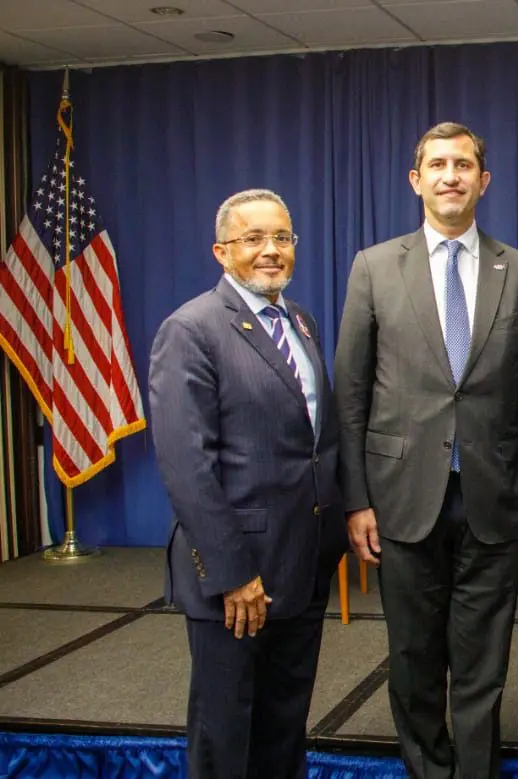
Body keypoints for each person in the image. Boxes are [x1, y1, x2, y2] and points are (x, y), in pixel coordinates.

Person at [334, 122, 518, 779]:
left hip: (495, 496)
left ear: (484, 181)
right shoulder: (373, 268)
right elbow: (350, 395)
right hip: (401, 497)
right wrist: (357, 499)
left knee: (484, 657)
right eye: (437, 164)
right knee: (413, 653)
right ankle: (428, 768)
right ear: (416, 180)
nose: (450, 175)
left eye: (463, 164)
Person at [149, 188, 348, 778]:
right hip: (238, 581)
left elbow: (317, 441)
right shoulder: (191, 329)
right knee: (225, 741)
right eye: (253, 239)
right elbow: (187, 466)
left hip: (302, 564)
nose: (271, 251)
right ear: (221, 251)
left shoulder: (301, 322)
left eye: (282, 238)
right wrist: (233, 574)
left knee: (283, 732)